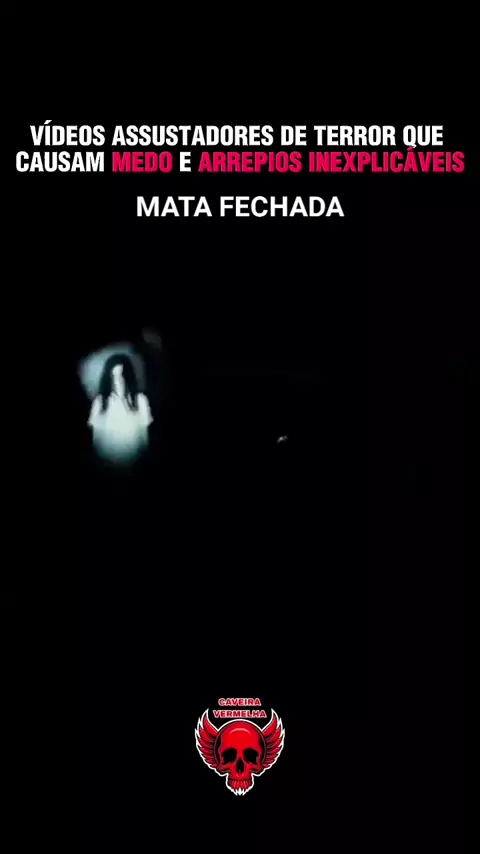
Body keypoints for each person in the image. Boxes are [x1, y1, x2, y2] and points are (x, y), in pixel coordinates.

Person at [88, 355, 153, 463]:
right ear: (108, 377)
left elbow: (145, 436)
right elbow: (95, 436)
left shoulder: (140, 400)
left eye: (121, 375)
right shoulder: (99, 402)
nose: (118, 381)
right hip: (106, 461)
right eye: (114, 376)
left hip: (134, 460)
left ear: (128, 376)